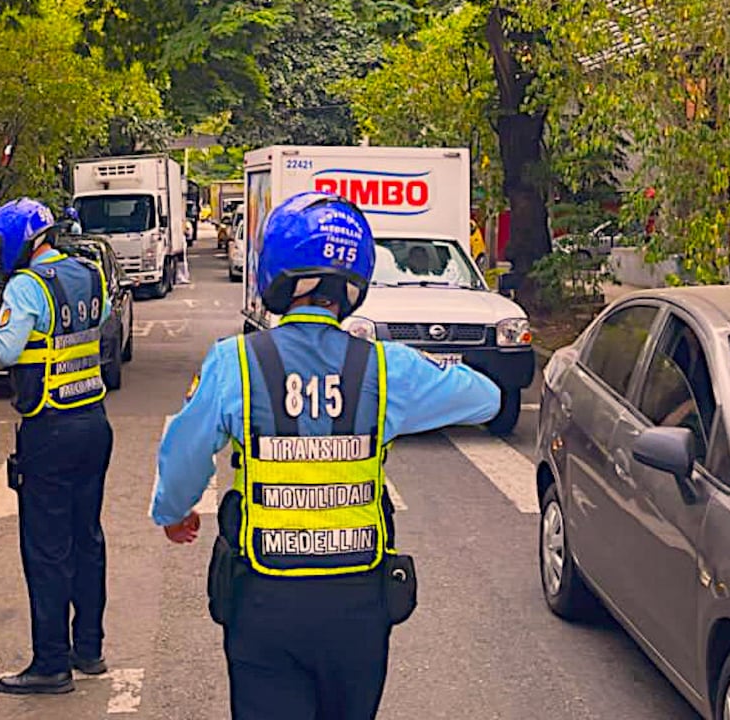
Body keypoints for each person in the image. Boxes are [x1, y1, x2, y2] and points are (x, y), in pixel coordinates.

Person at [152, 191, 503, 719]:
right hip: (357, 605)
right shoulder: (386, 369)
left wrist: (173, 512)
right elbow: (487, 399)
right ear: (355, 282)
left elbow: (183, 456)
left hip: (264, 599)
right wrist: (411, 372)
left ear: (275, 273)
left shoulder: (235, 363)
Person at [0, 197, 114, 696]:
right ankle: (89, 648)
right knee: (87, 537)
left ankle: (51, 664)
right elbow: (101, 320)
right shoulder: (90, 273)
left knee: (47, 550)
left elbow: (1, 353)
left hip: (49, 428)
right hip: (94, 421)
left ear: (19, 242)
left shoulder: (27, 286)